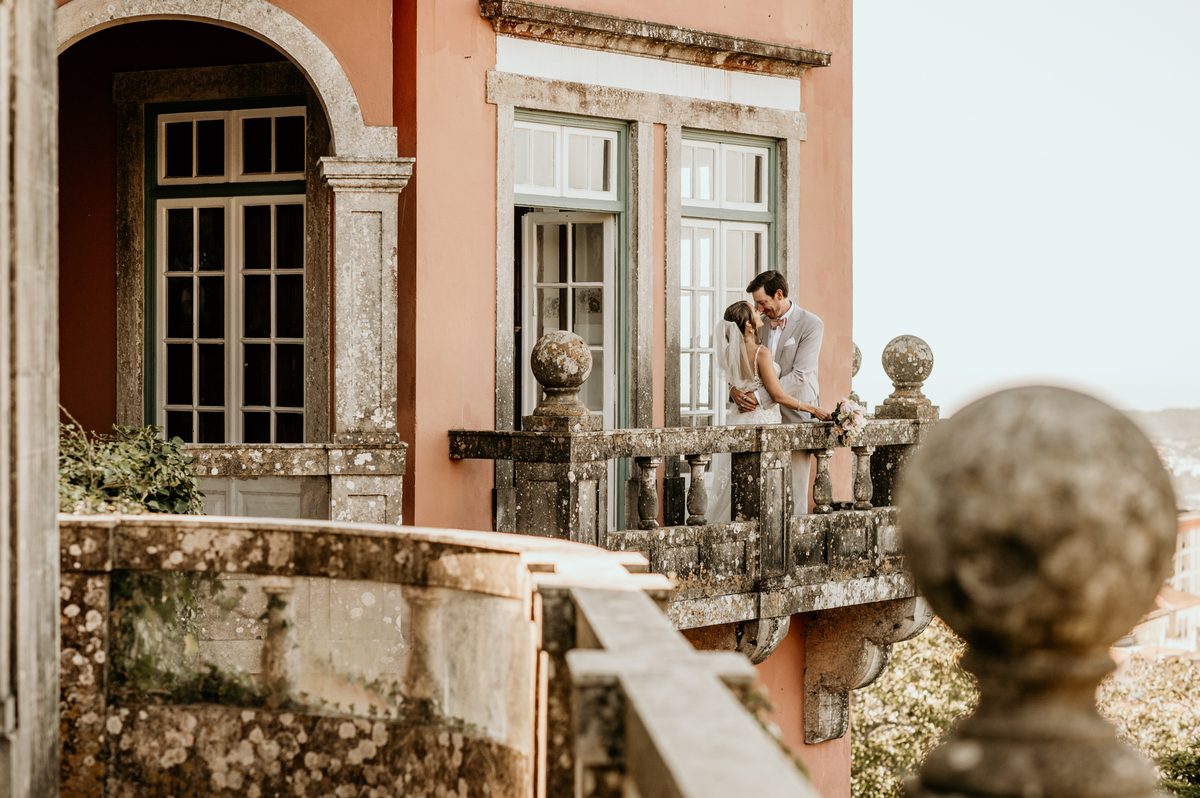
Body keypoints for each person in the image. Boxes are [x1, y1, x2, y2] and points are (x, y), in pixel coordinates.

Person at [729, 270, 826, 512]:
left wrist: (759, 397)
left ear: (779, 294)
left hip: (795, 415)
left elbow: (801, 375)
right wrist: (733, 390)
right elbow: (741, 362)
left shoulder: (811, 324)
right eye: (756, 304)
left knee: (794, 496)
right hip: (757, 421)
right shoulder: (756, 323)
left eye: (763, 302)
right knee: (757, 496)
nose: (759, 309)